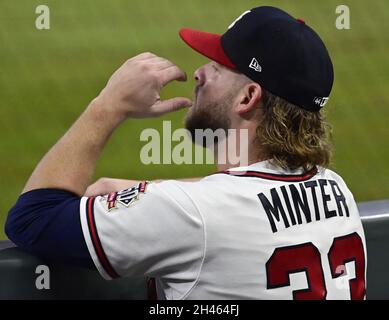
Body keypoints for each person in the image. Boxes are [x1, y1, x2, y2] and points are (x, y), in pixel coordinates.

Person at [5, 6, 366, 299]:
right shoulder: (335, 188)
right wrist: (155, 189)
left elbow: (32, 220)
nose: (199, 73)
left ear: (248, 97)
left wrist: (109, 104)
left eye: (217, 65)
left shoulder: (192, 214)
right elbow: (243, 200)